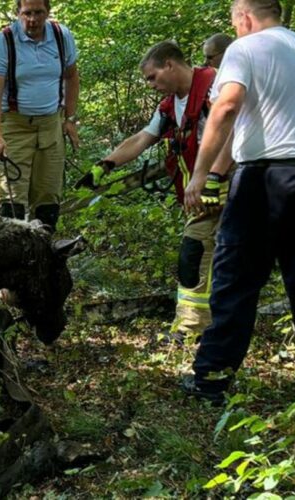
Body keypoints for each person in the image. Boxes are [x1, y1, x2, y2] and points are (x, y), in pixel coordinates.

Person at [183, 0, 295, 403]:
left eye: (234, 22)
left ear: (245, 17)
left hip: (268, 178)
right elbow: (270, 120)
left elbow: (227, 107)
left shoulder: (246, 47)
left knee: (235, 274)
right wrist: (222, 171)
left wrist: (200, 174)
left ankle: (212, 378)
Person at [92, 41, 224, 344]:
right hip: (201, 189)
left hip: (228, 183)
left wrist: (211, 177)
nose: (151, 85)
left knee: (200, 252)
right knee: (211, 255)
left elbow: (231, 131)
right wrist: (105, 165)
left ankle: (194, 329)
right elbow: (142, 138)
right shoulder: (170, 106)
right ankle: (206, 326)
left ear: (170, 65)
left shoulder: (216, 86)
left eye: (152, 77)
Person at [0, 0, 80, 230]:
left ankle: (44, 258)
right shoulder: (4, 41)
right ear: (18, 13)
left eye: (38, 13)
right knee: (10, 201)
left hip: (51, 127)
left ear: (48, 12)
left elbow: (72, 77)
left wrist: (69, 119)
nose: (33, 19)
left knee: (48, 199)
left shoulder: (60, 36)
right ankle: (11, 261)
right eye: (27, 13)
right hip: (15, 128)